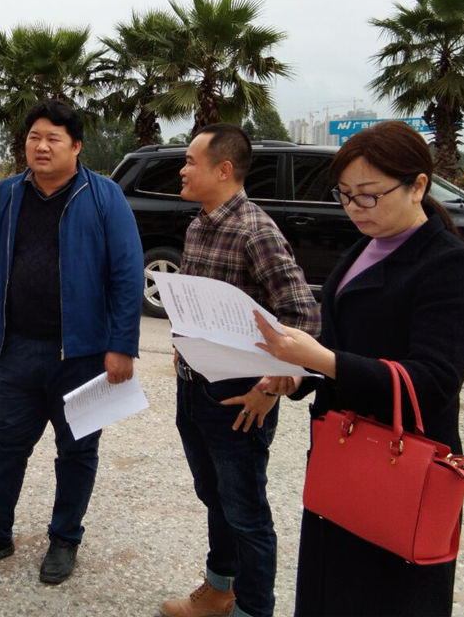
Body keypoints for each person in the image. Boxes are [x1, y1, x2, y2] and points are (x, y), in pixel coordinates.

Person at [253, 121, 464, 616]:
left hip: (403, 462)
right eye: (344, 195)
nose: (355, 208)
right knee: (330, 584)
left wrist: (319, 359)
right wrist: (297, 375)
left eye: (369, 195)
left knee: (386, 596)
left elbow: (434, 381)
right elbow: (343, 342)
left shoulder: (450, 265)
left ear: (418, 186)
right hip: (344, 449)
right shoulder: (365, 246)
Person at [0, 100, 144, 585]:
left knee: (77, 451)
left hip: (83, 355)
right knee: (6, 445)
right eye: (34, 137)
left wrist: (122, 345)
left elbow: (126, 274)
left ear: (76, 146)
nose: (41, 146)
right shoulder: (8, 193)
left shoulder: (104, 196)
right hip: (16, 349)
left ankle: (64, 538)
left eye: (53, 138)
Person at [158, 124, 319, 617]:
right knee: (215, 497)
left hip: (239, 400)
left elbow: (303, 317)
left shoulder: (256, 231)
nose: (182, 170)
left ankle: (254, 608)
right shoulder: (198, 225)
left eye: (190, 161)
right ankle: (219, 589)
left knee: (246, 513)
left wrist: (272, 387)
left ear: (224, 169)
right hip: (195, 389)